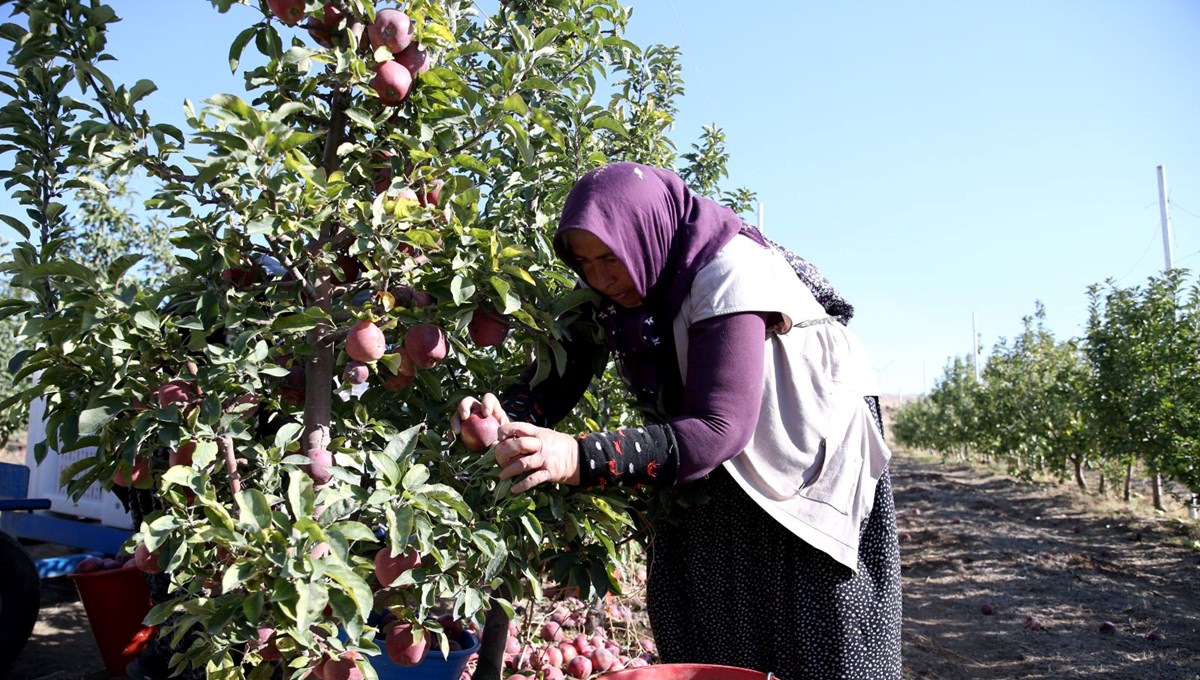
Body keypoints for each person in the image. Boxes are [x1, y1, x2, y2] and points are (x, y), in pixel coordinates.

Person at [453, 162, 902, 679]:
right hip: (715, 460)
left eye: (609, 257)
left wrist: (578, 456)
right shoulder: (616, 291)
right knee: (705, 605)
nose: (600, 276)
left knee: (815, 623)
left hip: (803, 455)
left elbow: (720, 428)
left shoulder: (729, 270)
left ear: (644, 234)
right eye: (585, 262)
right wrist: (504, 416)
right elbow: (556, 378)